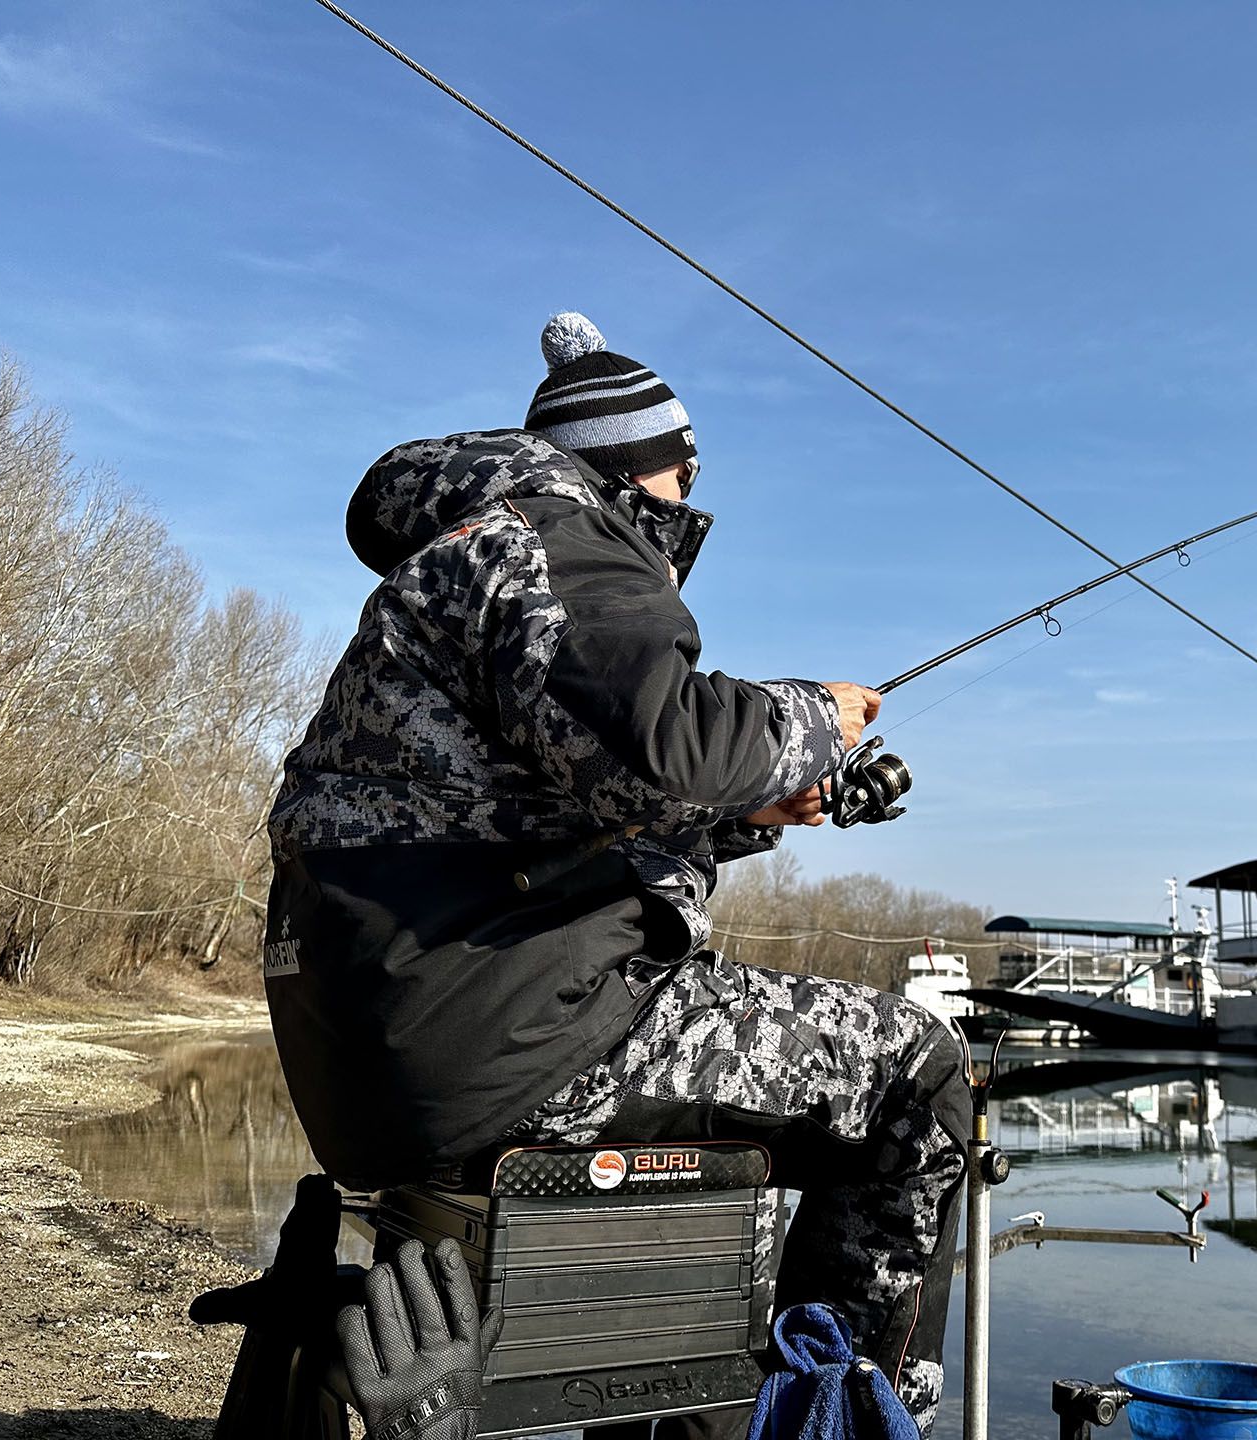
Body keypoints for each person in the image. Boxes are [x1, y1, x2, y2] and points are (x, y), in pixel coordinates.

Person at [262, 312, 969, 1433]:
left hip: (377, 1046)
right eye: (687, 465)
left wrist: (754, 812)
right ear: (637, 461)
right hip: (500, 1037)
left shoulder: (455, 562)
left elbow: (557, 819)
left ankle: (689, 1385)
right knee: (913, 1072)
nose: (694, 491)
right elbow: (669, 738)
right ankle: (846, 1415)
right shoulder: (560, 530)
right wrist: (817, 718)